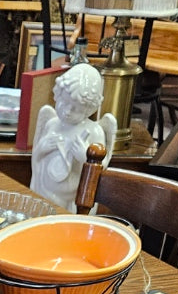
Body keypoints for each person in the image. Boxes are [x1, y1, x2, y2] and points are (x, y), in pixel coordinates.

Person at [30, 64, 117, 211]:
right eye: (64, 102)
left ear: (90, 109)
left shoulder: (94, 131)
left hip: (74, 201)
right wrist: (42, 148)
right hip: (45, 192)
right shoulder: (52, 124)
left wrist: (85, 157)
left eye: (76, 108)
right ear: (57, 95)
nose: (68, 111)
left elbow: (99, 171)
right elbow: (36, 158)